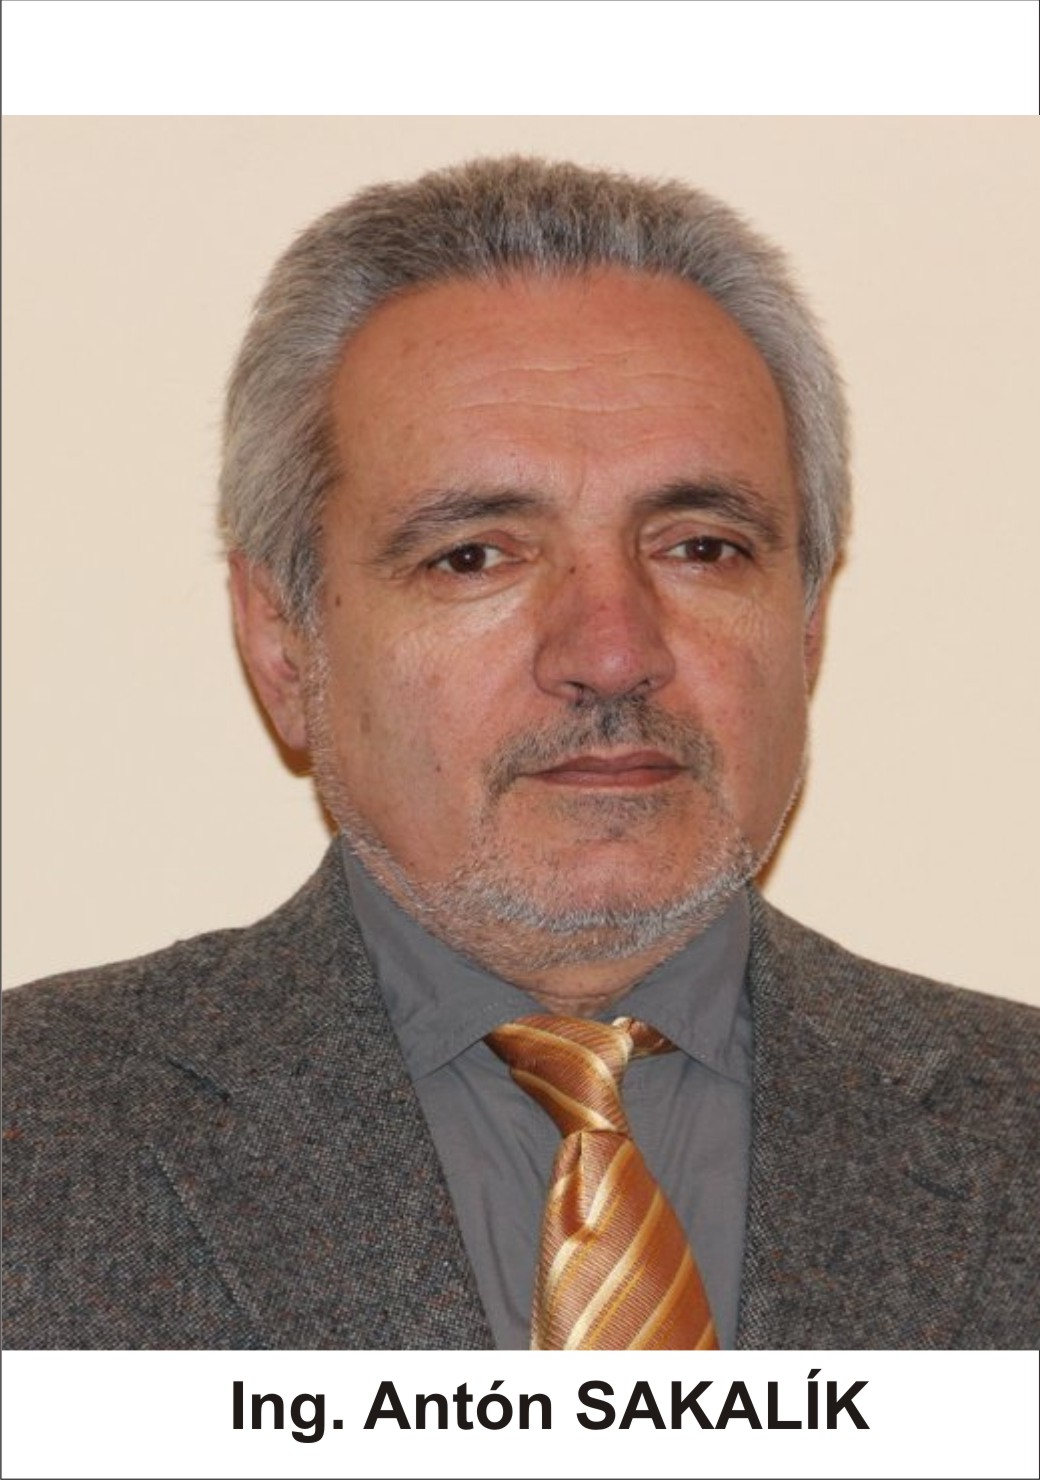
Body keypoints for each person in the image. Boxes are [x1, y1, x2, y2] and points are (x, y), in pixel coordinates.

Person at [3, 157, 1037, 1351]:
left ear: (805, 622)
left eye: (699, 546)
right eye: (474, 556)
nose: (611, 652)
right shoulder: (37, 1140)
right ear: (283, 642)